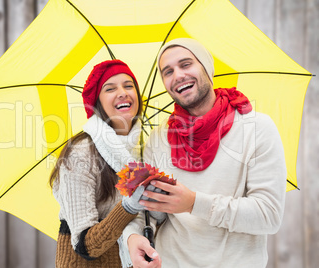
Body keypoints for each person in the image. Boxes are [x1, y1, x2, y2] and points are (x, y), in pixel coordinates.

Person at [122, 38, 287, 268]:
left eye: (186, 64)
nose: (177, 75)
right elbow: (143, 209)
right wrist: (132, 237)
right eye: (167, 71)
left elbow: (268, 215)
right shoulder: (158, 139)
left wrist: (193, 203)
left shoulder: (257, 128)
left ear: (207, 68)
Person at [50, 59, 156, 267]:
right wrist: (128, 206)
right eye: (110, 88)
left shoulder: (144, 149)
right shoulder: (81, 154)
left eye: (128, 86)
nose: (123, 92)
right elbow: (85, 245)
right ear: (97, 103)